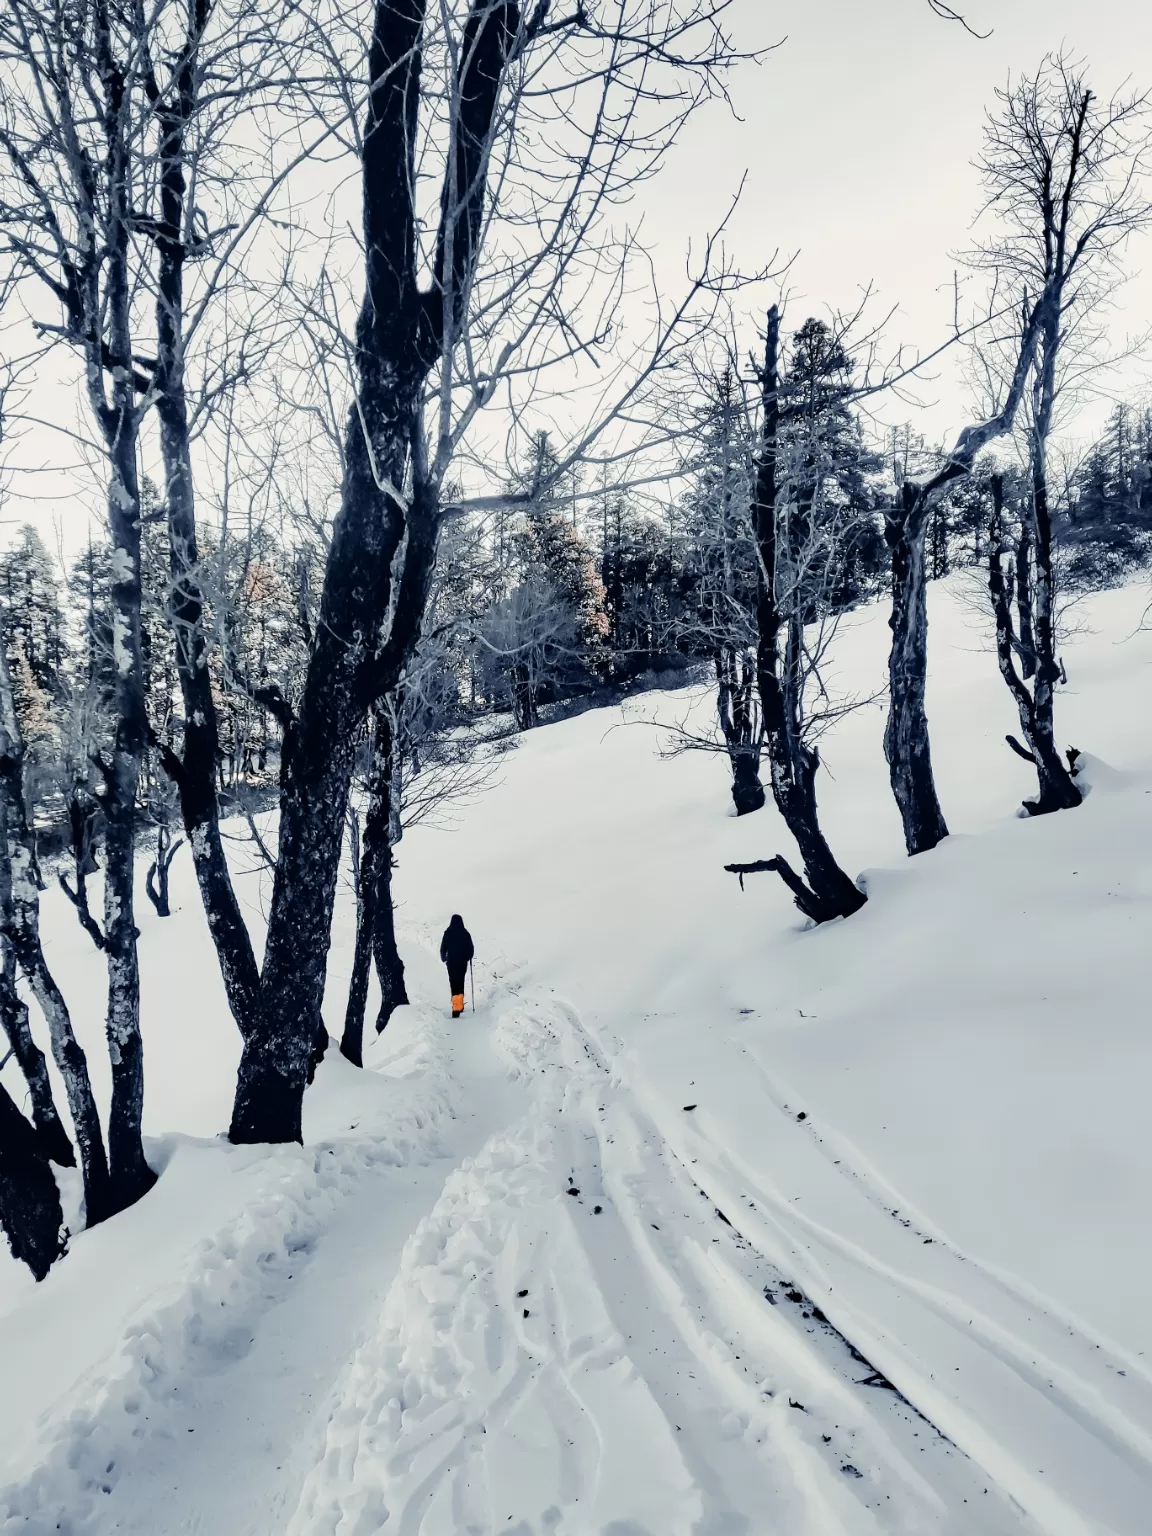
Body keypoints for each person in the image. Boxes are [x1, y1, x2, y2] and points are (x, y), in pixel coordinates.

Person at [440, 914, 474, 1018]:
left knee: (454, 984)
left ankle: (456, 1007)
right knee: (460, 982)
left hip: (451, 963)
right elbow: (471, 949)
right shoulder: (465, 933)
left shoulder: (448, 933)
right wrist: (467, 957)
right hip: (462, 963)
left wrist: (444, 958)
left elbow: (443, 948)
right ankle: (459, 1005)